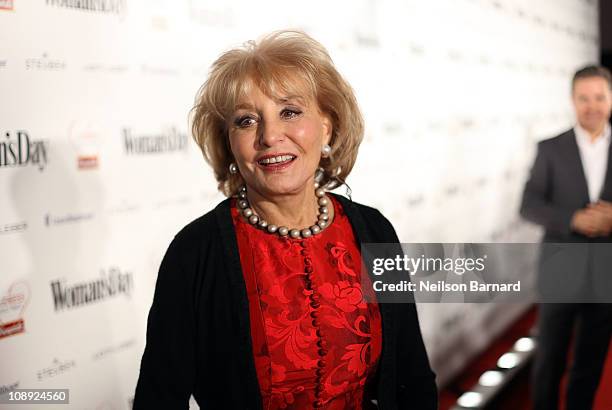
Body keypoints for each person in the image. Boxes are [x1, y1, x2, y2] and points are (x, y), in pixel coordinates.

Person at [133, 30, 437, 409]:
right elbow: (158, 399)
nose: (270, 136)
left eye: (289, 112)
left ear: (327, 125)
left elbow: (413, 377)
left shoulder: (374, 230)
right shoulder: (195, 252)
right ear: (229, 142)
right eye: (246, 121)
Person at [520, 65, 612, 410]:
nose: (592, 106)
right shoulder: (550, 148)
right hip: (560, 272)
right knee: (549, 362)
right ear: (573, 101)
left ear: (610, 98)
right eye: (584, 98)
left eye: (600, 97)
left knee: (589, 362)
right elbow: (528, 205)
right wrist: (573, 219)